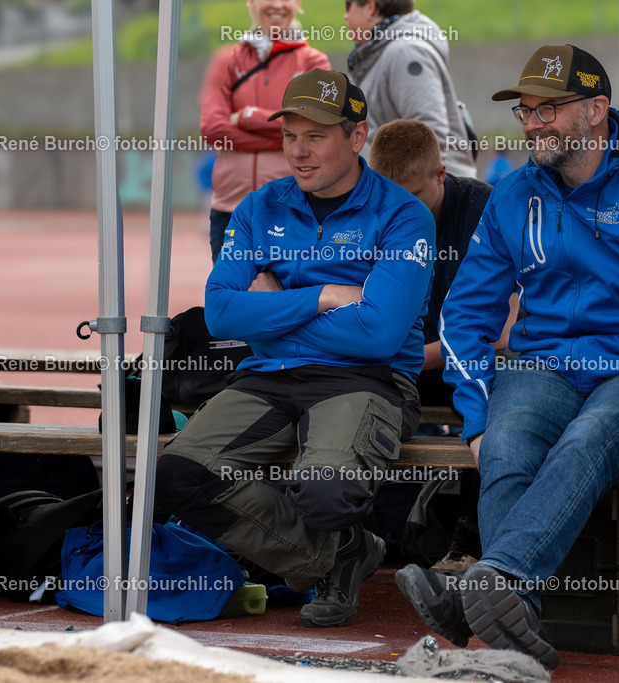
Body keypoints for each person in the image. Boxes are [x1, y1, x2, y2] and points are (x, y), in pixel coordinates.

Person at [393, 45, 619, 668]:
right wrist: (475, 415)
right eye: (527, 111)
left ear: (597, 109)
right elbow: (466, 313)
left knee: (588, 440)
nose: (532, 123)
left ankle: (490, 584)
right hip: (544, 363)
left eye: (549, 110)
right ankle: (507, 610)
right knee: (504, 444)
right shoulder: (514, 194)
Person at [154, 69, 435, 629]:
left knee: (325, 492)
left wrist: (273, 312)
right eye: (290, 137)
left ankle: (330, 550)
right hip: (267, 377)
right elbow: (219, 314)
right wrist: (326, 297)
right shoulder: (260, 207)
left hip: (366, 379)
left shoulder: (405, 216)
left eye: (317, 136)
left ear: (358, 138)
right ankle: (337, 556)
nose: (299, 152)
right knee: (174, 476)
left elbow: (378, 335)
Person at [369, 119, 518, 573]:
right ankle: (350, 537)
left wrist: (418, 357)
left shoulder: (485, 210)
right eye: (389, 199)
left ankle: (468, 542)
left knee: (504, 406)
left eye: (412, 198)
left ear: (440, 174)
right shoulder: (367, 213)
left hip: (466, 366)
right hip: (404, 367)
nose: (400, 212)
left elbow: (509, 328)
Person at [200, 0, 330, 262]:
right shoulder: (227, 60)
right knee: (232, 296)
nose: (278, 5)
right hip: (229, 210)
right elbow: (212, 129)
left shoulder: (313, 61)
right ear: (251, 3)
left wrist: (246, 116)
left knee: (284, 298)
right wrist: (287, 134)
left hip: (293, 208)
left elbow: (315, 126)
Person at [343, 0, 477, 178]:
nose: (345, 16)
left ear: (370, 7)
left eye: (348, 7)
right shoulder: (380, 54)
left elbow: (429, 134)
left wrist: (411, 199)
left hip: (426, 198)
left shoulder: (405, 52)